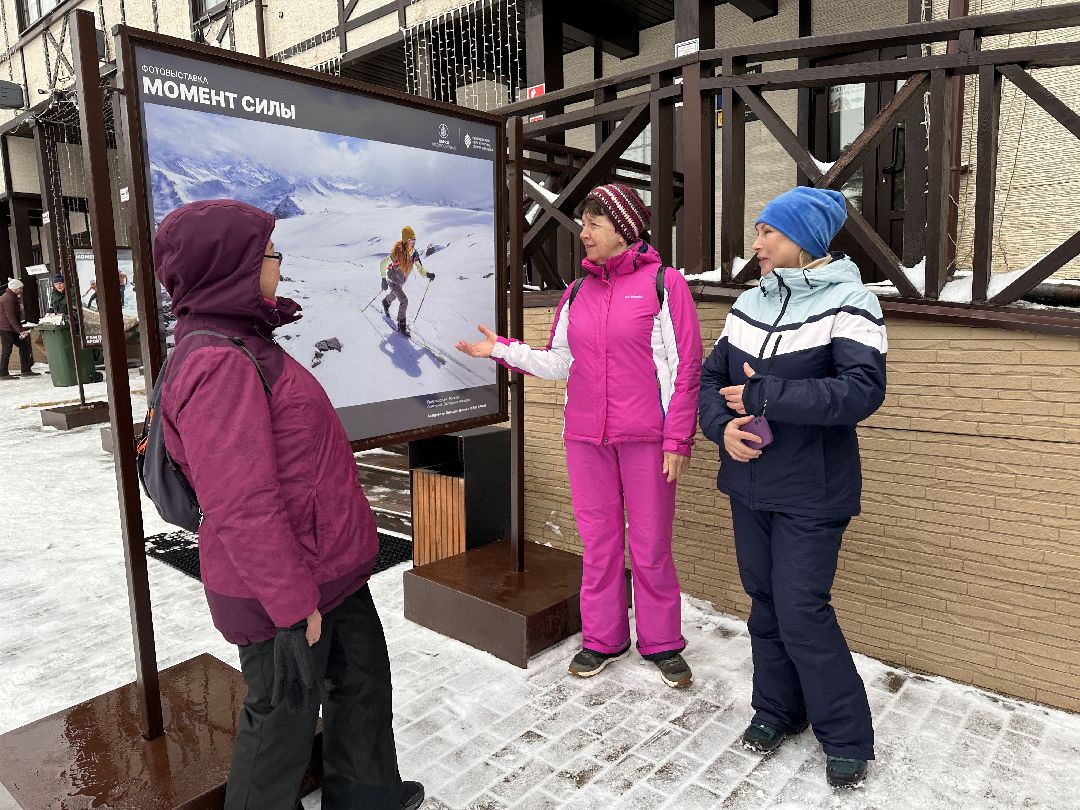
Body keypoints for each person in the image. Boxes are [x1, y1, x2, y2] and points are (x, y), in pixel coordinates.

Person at [153, 199, 424, 810]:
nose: (278, 262)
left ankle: (366, 797)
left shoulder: (245, 340)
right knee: (281, 724)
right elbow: (241, 505)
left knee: (360, 686)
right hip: (284, 588)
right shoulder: (219, 362)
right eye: (268, 254)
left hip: (329, 569)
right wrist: (290, 606)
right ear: (230, 267)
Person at [456, 183, 703, 688]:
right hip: (585, 439)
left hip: (647, 439)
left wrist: (678, 440)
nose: (583, 232)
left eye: (594, 224)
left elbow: (686, 368)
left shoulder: (664, 284)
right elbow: (559, 362)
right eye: (583, 222)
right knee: (599, 543)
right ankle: (604, 638)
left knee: (651, 544)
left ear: (623, 229)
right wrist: (502, 349)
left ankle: (662, 642)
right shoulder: (577, 293)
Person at [698, 187, 887, 789]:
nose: (756, 245)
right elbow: (708, 381)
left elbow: (862, 392)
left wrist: (765, 395)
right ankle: (778, 710)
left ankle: (847, 736)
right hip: (748, 485)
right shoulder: (748, 304)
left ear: (804, 241)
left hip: (813, 490)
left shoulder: (851, 302)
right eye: (757, 232)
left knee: (803, 610)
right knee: (765, 606)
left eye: (768, 233)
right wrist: (722, 428)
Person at [380, 225, 434, 338]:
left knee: (394, 296)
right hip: (392, 278)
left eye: (414, 239)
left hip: (401, 280)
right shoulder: (397, 252)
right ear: (405, 241)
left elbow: (420, 267)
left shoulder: (414, 253)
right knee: (404, 300)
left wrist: (427, 274)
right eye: (411, 240)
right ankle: (401, 325)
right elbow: (383, 263)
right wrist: (383, 279)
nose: (413, 242)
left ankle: (386, 302)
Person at [0, 278, 38, 379]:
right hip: (7, 329)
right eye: (20, 288)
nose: (21, 290)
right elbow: (11, 316)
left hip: (11, 328)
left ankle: (26, 370)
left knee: (25, 346)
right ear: (15, 288)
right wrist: (20, 331)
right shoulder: (8, 298)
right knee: (7, 350)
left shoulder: (12, 296)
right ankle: (2, 373)